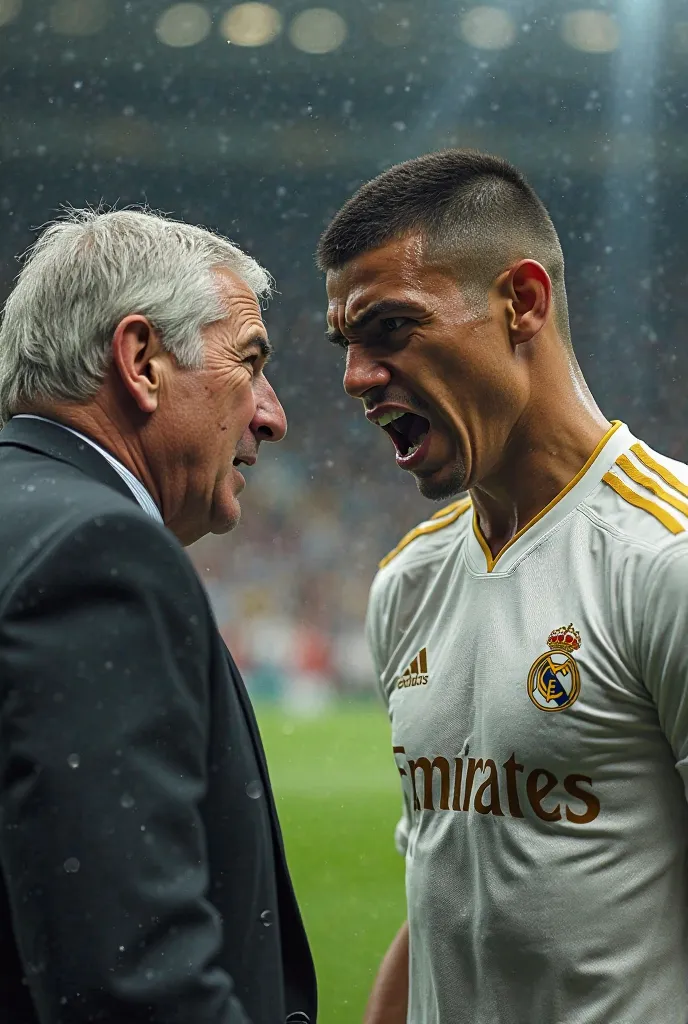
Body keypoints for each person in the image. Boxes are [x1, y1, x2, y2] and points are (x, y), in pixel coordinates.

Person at [317, 150, 688, 1024]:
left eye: (391, 329)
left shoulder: (666, 558)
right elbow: (439, 886)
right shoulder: (407, 583)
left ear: (521, 301)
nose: (355, 378)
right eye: (346, 345)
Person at [0, 208, 316, 1024]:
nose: (271, 416)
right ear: (140, 362)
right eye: (250, 364)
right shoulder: (98, 553)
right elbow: (132, 981)